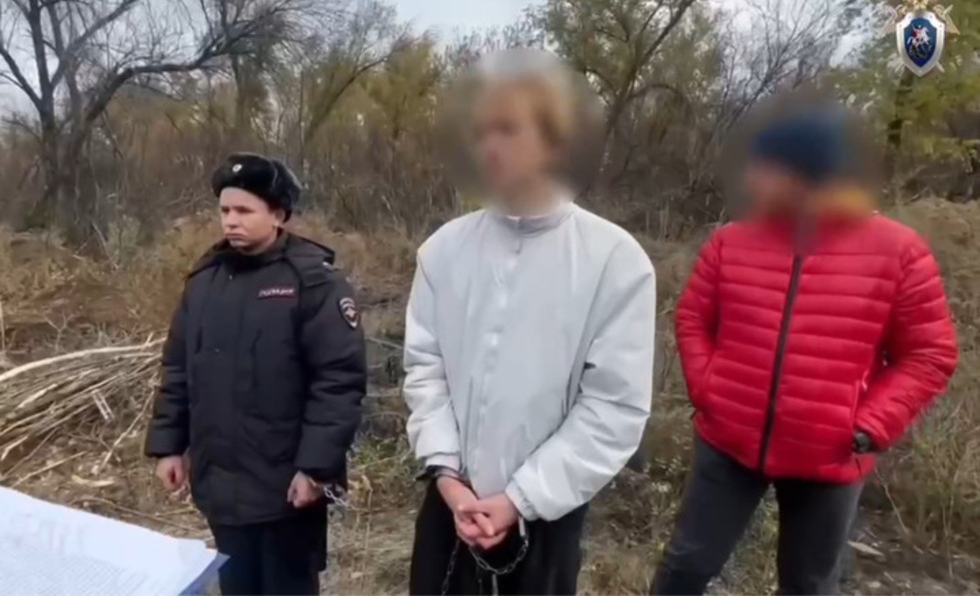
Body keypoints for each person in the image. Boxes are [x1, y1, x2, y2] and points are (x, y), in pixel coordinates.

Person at [650, 106, 958, 595]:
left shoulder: (899, 252)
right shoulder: (732, 241)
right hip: (728, 442)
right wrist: (708, 386)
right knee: (686, 566)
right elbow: (692, 319)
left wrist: (870, 423)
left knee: (808, 584)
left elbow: (930, 353)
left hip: (830, 455)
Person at [403, 49, 657, 595]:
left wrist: (521, 498)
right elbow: (425, 369)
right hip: (450, 507)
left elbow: (613, 406)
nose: (488, 146)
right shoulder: (443, 251)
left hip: (546, 516)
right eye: (482, 131)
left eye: (508, 129)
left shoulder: (615, 261)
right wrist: (447, 476)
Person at [144, 153, 367, 596]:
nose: (231, 221)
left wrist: (315, 469)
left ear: (278, 215)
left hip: (287, 489)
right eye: (225, 210)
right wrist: (169, 445)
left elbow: (338, 382)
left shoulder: (312, 282)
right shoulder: (205, 280)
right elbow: (179, 367)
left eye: (245, 210)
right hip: (220, 483)